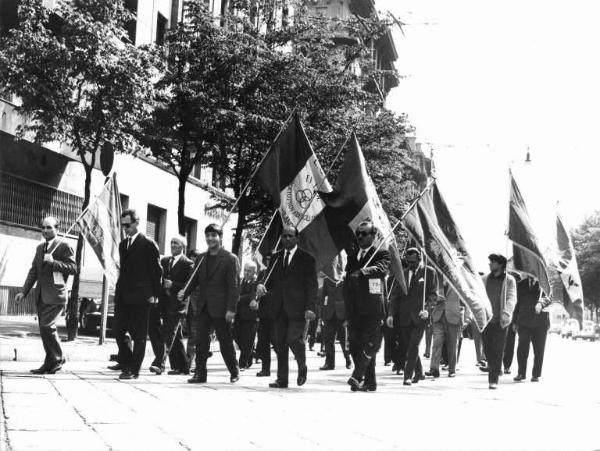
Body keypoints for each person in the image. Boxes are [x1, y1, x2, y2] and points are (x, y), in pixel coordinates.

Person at [256, 226, 318, 389]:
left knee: (293, 339)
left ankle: (302, 366)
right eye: (284, 236)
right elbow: (267, 279)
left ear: (297, 238)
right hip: (278, 307)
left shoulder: (307, 258)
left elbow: (312, 285)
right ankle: (281, 379)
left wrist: (311, 307)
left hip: (298, 308)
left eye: (290, 236)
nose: (287, 239)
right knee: (280, 343)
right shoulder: (275, 257)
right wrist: (261, 285)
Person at [178, 224, 241, 384]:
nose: (210, 239)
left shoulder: (230, 258)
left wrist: (231, 309)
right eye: (207, 235)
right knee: (201, 341)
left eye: (214, 235)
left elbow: (234, 287)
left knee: (225, 342)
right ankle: (200, 373)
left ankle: (234, 370)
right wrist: (184, 292)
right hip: (204, 306)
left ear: (220, 237)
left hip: (221, 308)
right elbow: (194, 279)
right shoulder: (201, 258)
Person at [15, 217, 77, 374]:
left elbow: (73, 268)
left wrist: (53, 262)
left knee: (47, 327)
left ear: (57, 228)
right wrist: (24, 291)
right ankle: (50, 361)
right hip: (41, 295)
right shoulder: (40, 247)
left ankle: (58, 357)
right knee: (44, 330)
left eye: (49, 227)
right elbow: (34, 271)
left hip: (56, 295)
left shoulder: (64, 245)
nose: (45, 230)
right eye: (43, 227)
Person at [111, 209, 162, 380]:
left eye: (128, 225)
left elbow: (157, 271)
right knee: (118, 331)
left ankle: (134, 370)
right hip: (123, 296)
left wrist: (155, 294)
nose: (125, 228)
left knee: (139, 335)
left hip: (142, 297)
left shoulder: (148, 243)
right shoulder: (122, 245)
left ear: (137, 222)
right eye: (123, 225)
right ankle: (127, 362)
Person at [344, 220, 391, 392]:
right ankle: (370, 383)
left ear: (373, 236)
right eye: (358, 234)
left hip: (373, 308)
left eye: (364, 233)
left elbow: (382, 269)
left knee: (370, 344)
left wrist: (363, 272)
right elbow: (348, 281)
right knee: (355, 345)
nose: (360, 237)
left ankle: (357, 376)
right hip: (355, 309)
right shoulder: (353, 255)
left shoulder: (381, 253)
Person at [388, 248, 438, 386]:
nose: (411, 265)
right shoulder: (402, 274)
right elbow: (395, 297)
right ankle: (420, 371)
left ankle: (407, 376)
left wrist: (427, 310)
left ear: (420, 259)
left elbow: (433, 295)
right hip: (404, 316)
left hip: (421, 316)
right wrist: (391, 314)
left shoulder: (429, 273)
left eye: (413, 262)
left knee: (413, 345)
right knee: (408, 345)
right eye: (408, 262)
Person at [150, 235, 194, 375]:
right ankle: (182, 366)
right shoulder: (164, 260)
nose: (173, 245)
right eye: (171, 242)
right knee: (176, 336)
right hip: (164, 302)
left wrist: (174, 284)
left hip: (178, 304)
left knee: (168, 333)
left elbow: (190, 285)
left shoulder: (188, 263)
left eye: (176, 243)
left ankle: (159, 364)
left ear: (182, 246)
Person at [481, 253, 517, 389]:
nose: (490, 264)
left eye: (493, 262)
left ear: (500, 265)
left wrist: (507, 312)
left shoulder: (509, 280)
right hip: (485, 320)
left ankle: (493, 379)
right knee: (487, 349)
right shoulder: (484, 279)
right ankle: (494, 367)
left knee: (497, 349)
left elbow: (512, 297)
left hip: (501, 321)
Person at [513, 277, 551, 382]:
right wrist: (514, 321)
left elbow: (549, 296)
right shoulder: (520, 284)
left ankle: (536, 374)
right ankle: (521, 373)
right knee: (522, 348)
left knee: (539, 349)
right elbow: (516, 303)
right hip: (524, 321)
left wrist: (541, 303)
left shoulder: (544, 282)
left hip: (540, 322)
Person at [426, 282, 464, 378]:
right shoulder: (437, 279)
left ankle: (452, 369)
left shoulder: (458, 281)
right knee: (437, 342)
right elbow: (429, 295)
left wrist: (465, 318)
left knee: (452, 344)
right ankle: (434, 369)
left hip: (453, 315)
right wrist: (435, 299)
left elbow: (464, 300)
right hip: (438, 315)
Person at [320, 272, 352, 370]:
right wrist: (322, 316)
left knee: (343, 340)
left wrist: (348, 318)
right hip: (329, 315)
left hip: (342, 315)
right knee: (328, 340)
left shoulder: (346, 280)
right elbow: (323, 298)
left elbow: (350, 299)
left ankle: (348, 360)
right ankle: (329, 363)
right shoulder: (327, 280)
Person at [234, 262, 259, 370]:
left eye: (249, 271)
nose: (246, 273)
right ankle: (251, 354)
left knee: (247, 340)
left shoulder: (257, 283)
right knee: (236, 335)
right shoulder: (240, 281)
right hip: (238, 314)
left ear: (254, 272)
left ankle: (242, 363)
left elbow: (253, 295)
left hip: (251, 316)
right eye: (245, 270)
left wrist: (240, 298)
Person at [255, 259, 273, 377]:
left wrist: (268, 293)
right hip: (263, 314)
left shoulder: (282, 272)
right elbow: (256, 285)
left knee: (278, 343)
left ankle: (283, 371)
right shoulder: (264, 272)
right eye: (267, 259)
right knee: (263, 341)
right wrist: (259, 285)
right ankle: (265, 369)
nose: (268, 261)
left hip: (276, 313)